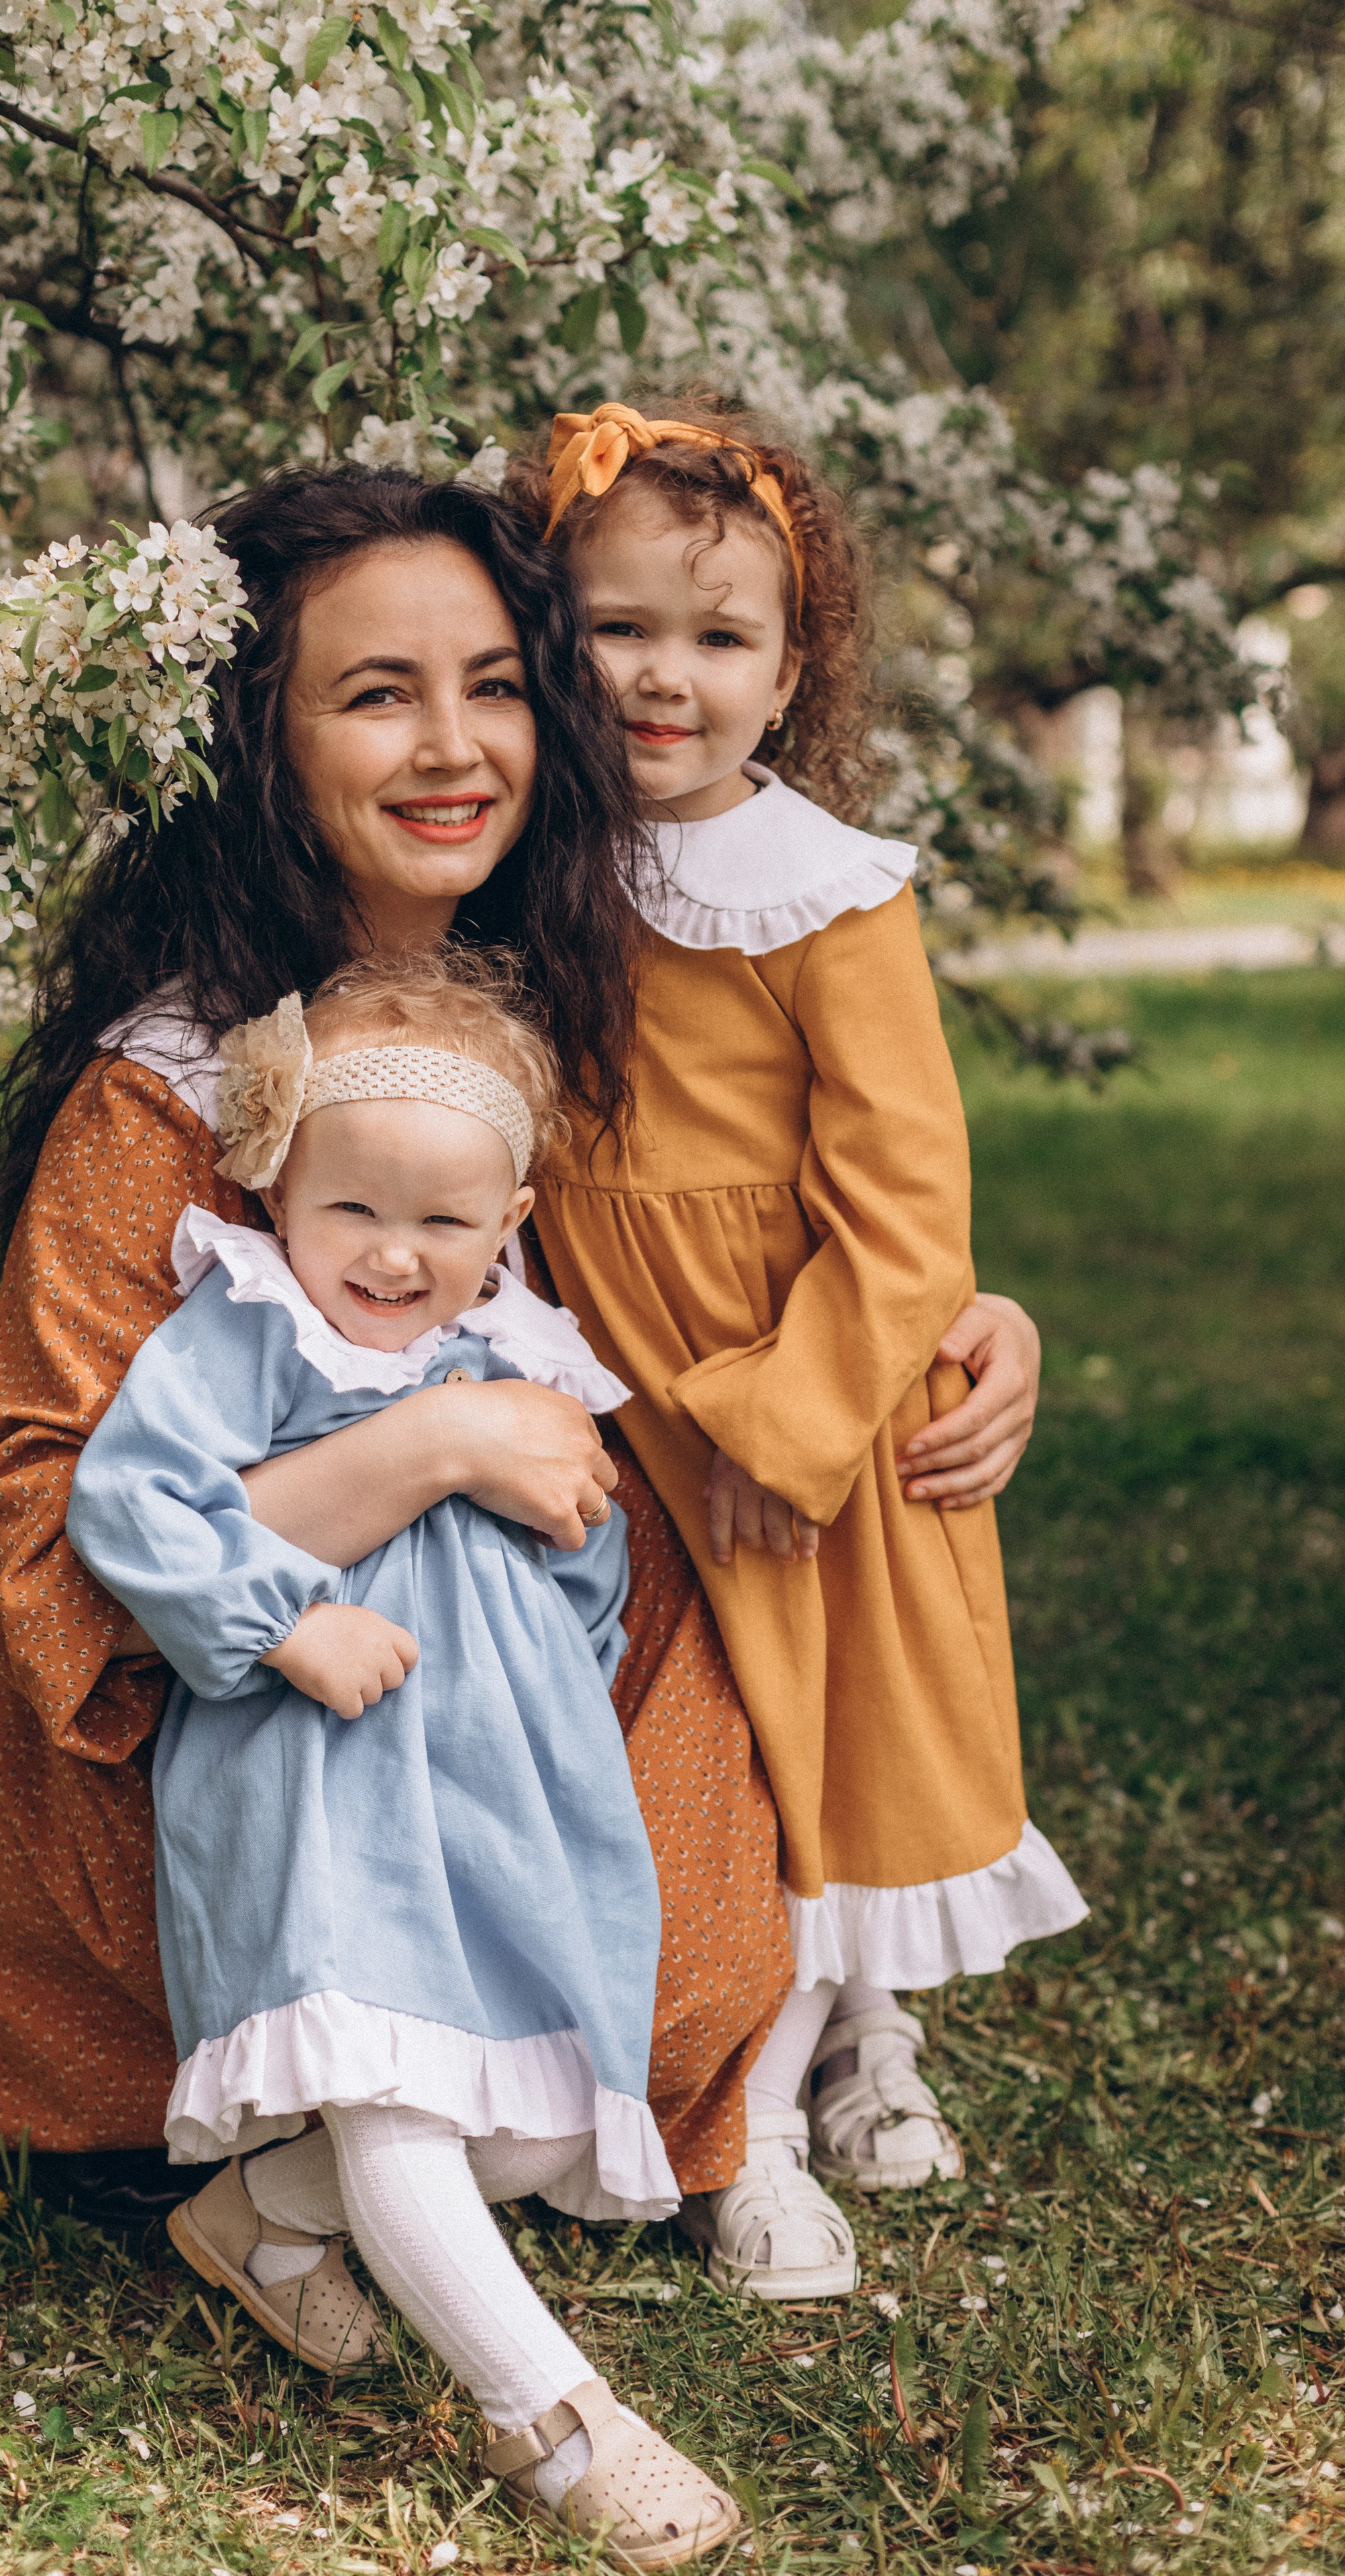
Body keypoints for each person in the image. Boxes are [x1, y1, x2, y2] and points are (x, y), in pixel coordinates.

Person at [0, 464, 1042, 2282]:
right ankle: (318, 2139)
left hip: (509, 1651)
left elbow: (721, 1235)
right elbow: (45, 1547)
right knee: (505, 2004)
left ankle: (727, 2049)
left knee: (683, 1978)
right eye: (375, 695)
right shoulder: (172, 1085)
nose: (452, 746)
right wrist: (441, 1441)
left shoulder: (567, 992)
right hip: (231, 1708)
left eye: (494, 685)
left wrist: (954, 1317)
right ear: (263, 738)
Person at [512, 402, 1087, 2301]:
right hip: (618, 1375)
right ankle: (752, 2049)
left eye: (718, 637)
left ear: (789, 670)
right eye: (615, 628)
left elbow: (908, 1201)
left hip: (787, 1395)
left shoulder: (826, 888)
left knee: (826, 1749)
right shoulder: (534, 860)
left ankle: (809, 2085)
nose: (660, 677)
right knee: (707, 1748)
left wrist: (797, 1417)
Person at [66, 955, 741, 2565]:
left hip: (499, 1791)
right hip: (313, 1778)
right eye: (351, 1208)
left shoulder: (528, 1363)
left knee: (538, 2114)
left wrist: (558, 1697)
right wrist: (284, 1621)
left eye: (440, 1221)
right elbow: (130, 1505)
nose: (389, 1254)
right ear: (278, 1189)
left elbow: (585, 1560)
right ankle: (554, 2421)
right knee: (390, 2092)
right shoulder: (251, 1326)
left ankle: (258, 2214)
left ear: (510, 1218)